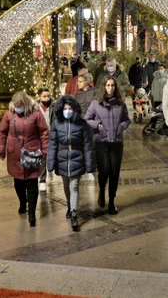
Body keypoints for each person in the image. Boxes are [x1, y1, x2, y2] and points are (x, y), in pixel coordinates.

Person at [0, 91, 49, 226]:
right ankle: (22, 202)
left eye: (20, 105)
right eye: (15, 105)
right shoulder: (9, 115)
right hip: (15, 155)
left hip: (32, 154)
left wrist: (45, 150)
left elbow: (44, 132)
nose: (17, 108)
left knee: (32, 183)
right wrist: (1, 148)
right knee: (18, 182)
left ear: (25, 104)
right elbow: (2, 132)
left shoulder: (36, 114)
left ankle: (31, 212)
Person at [47, 95, 94, 232]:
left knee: (74, 186)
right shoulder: (56, 124)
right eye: (65, 108)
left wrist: (89, 164)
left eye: (70, 108)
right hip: (62, 158)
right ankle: (69, 204)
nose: (68, 111)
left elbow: (87, 145)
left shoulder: (82, 124)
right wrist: (50, 163)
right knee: (66, 186)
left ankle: (74, 213)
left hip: (76, 158)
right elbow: (52, 144)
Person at [85, 77, 131, 215]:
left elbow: (127, 120)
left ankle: (112, 200)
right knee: (104, 171)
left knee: (114, 172)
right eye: (107, 85)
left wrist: (121, 126)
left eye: (112, 85)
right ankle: (101, 191)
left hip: (116, 143)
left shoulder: (121, 104)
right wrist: (98, 125)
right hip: (102, 142)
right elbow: (88, 119)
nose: (110, 88)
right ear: (103, 87)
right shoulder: (95, 104)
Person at [36, 88, 53, 192]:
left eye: (48, 96)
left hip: (52, 135)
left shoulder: (53, 107)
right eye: (44, 96)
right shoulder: (35, 108)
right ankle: (42, 180)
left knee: (50, 156)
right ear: (39, 97)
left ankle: (50, 169)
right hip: (40, 136)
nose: (47, 98)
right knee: (42, 157)